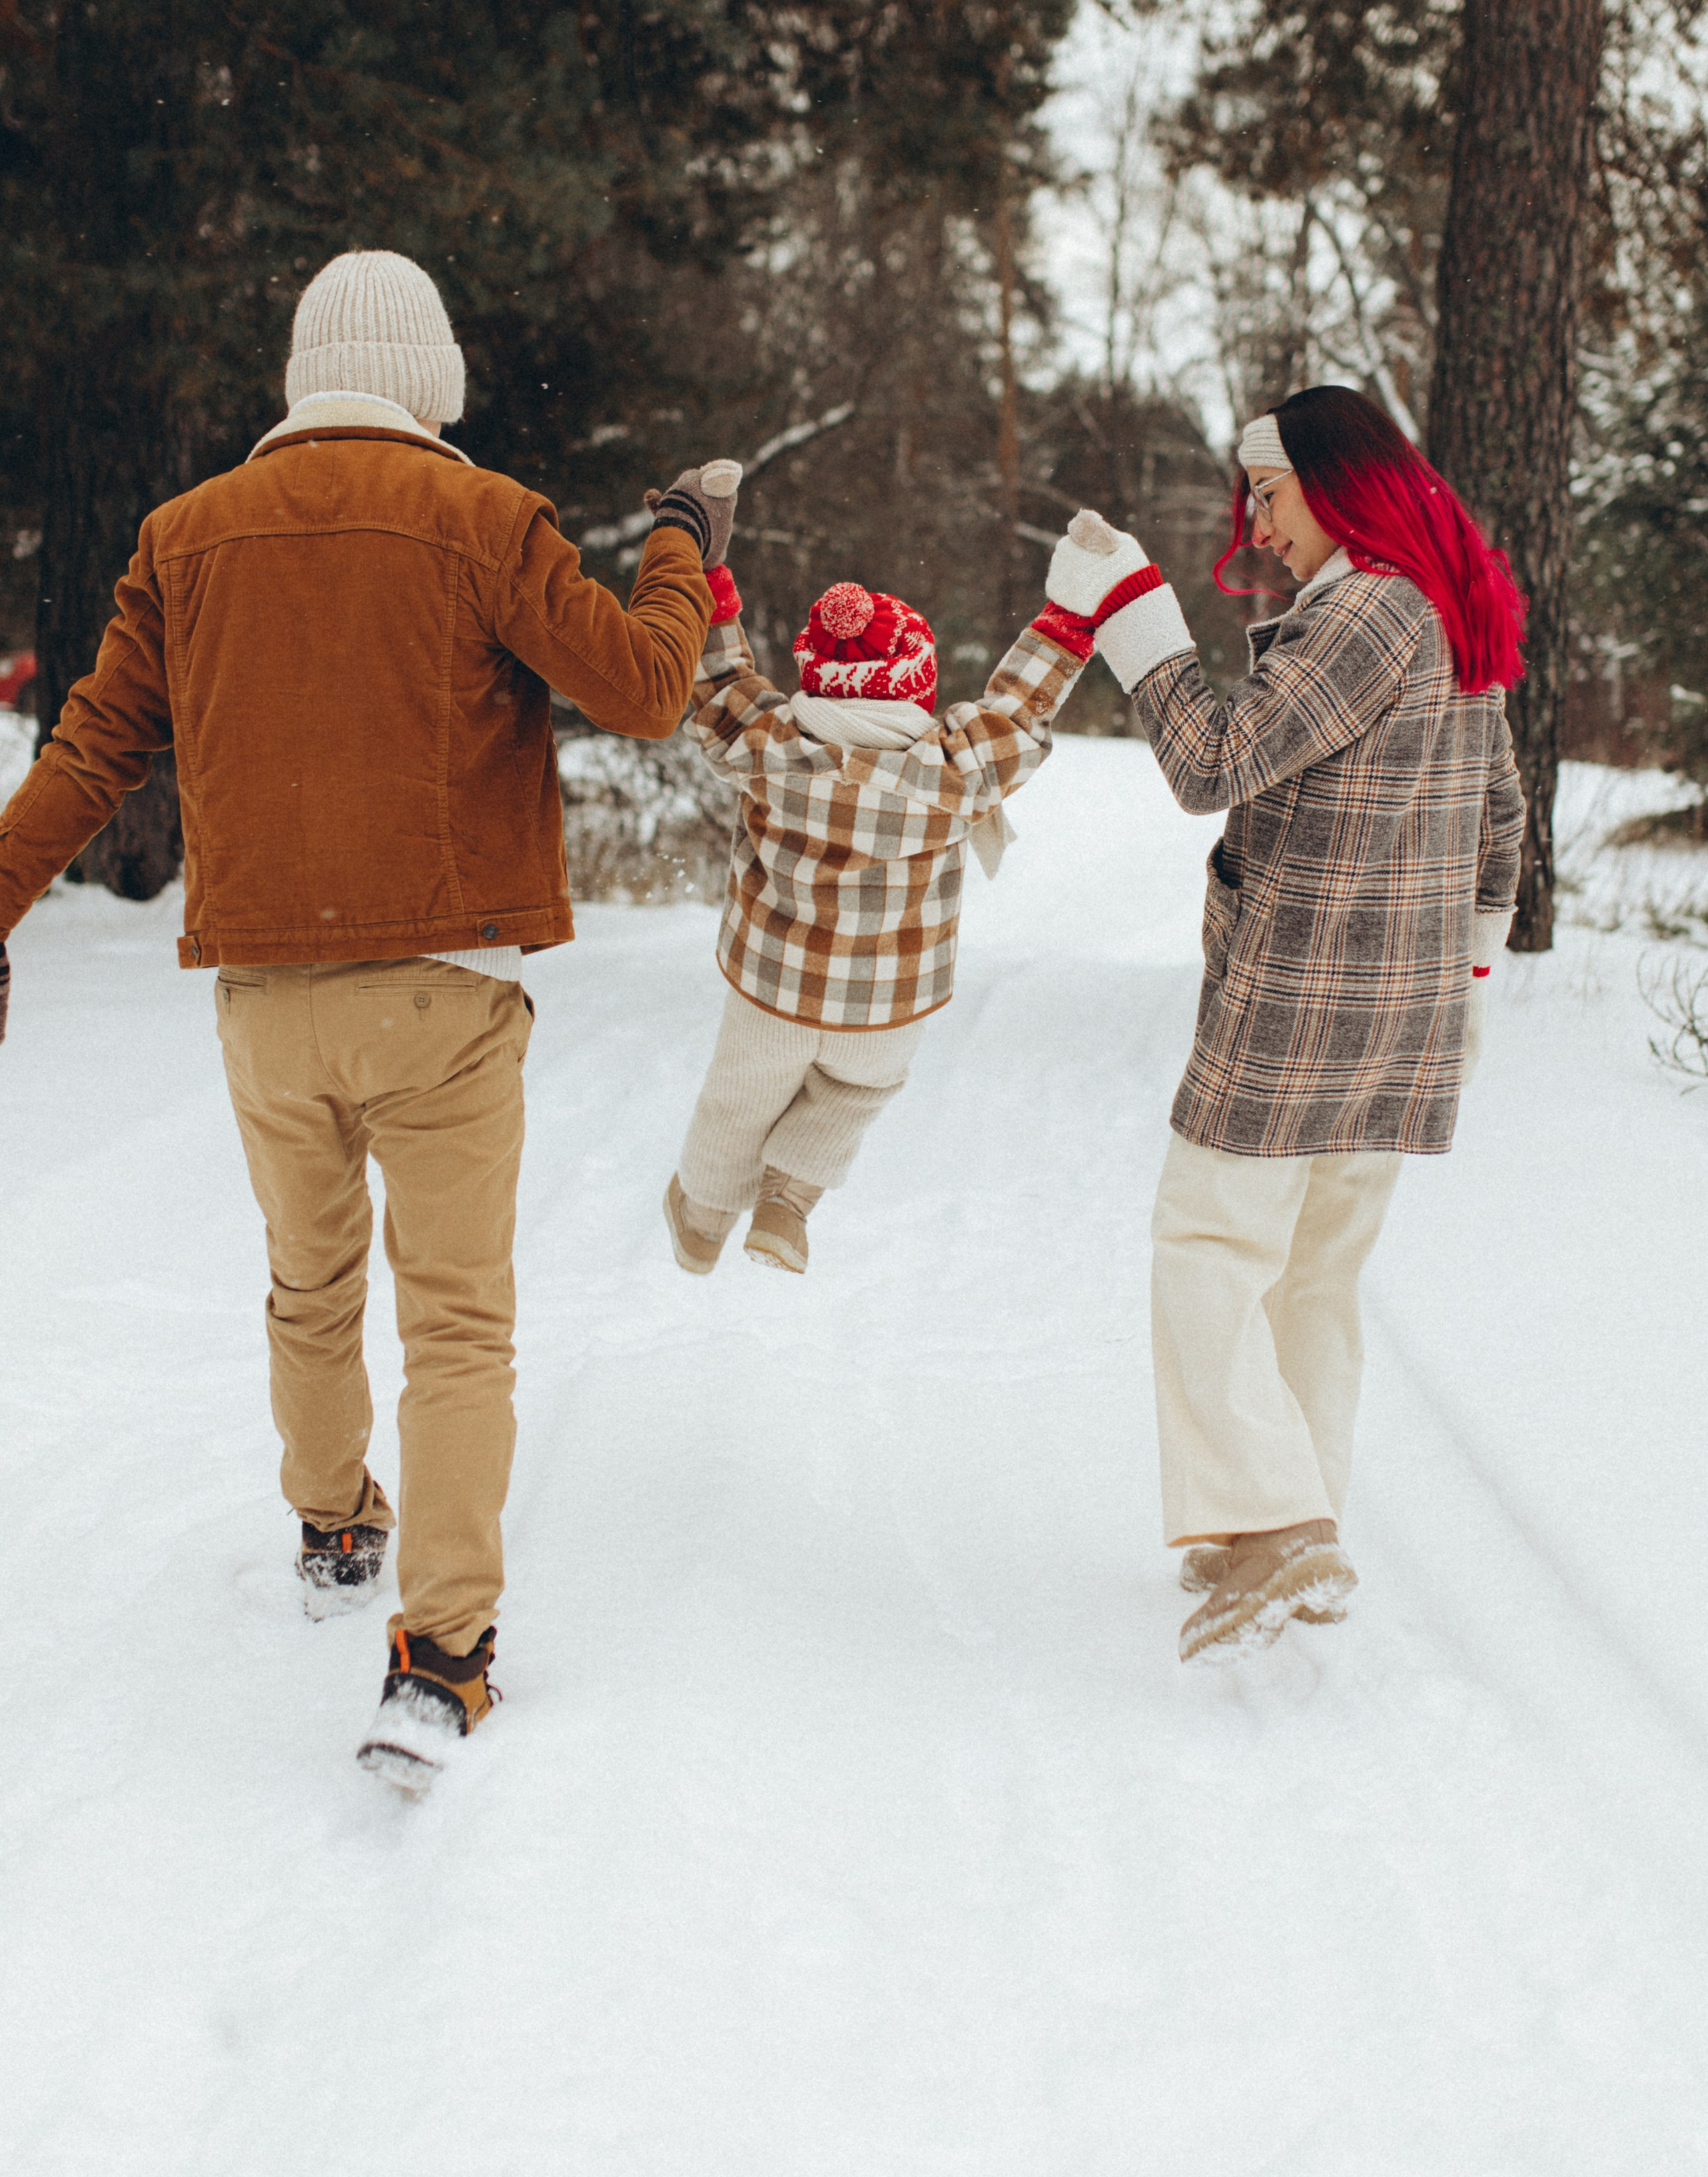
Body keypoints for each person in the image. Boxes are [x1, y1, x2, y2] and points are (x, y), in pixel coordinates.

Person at [0, 249, 737, 1789]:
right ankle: (440, 1658)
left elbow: (86, 754)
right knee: (455, 1321)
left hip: (266, 996)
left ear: (301, 376)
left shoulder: (182, 538)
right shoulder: (484, 520)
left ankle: (336, 1523)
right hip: (443, 992)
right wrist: (680, 539)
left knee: (308, 1282)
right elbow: (652, 688)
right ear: (432, 383)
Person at [1047, 385, 1526, 1663]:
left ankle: (1278, 1523)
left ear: (1337, 481)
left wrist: (1132, 615)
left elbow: (1210, 760)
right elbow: (1505, 823)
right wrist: (1466, 985)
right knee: (1310, 1279)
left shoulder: (1369, 610)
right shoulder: (1449, 606)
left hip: (1308, 1003)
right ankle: (1282, 1523)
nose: (1257, 528)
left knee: (1205, 1247)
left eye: (1268, 494)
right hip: (1402, 1017)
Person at [662, 540, 1150, 1276]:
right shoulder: (951, 771)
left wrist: (706, 582)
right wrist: (1065, 619)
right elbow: (1017, 712)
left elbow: (721, 683)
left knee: (737, 1101)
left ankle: (701, 1222)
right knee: (854, 1094)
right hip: (885, 1007)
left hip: (773, 992)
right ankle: (787, 1204)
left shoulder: (770, 750)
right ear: (915, 689)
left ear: (817, 683)